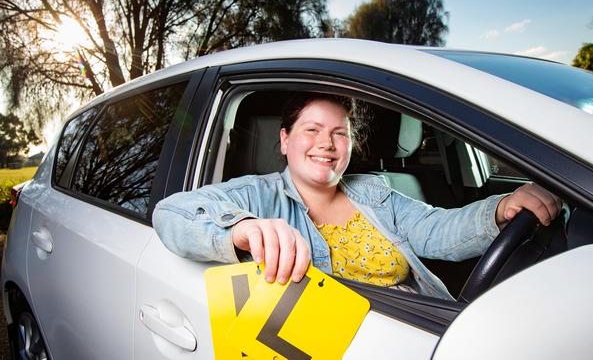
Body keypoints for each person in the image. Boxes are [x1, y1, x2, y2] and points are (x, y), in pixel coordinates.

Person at [153, 92, 561, 299]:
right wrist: (242, 229)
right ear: (284, 140)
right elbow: (172, 213)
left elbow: (437, 229)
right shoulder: (256, 196)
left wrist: (500, 209)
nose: (326, 144)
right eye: (311, 130)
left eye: (339, 134)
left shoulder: (375, 194)